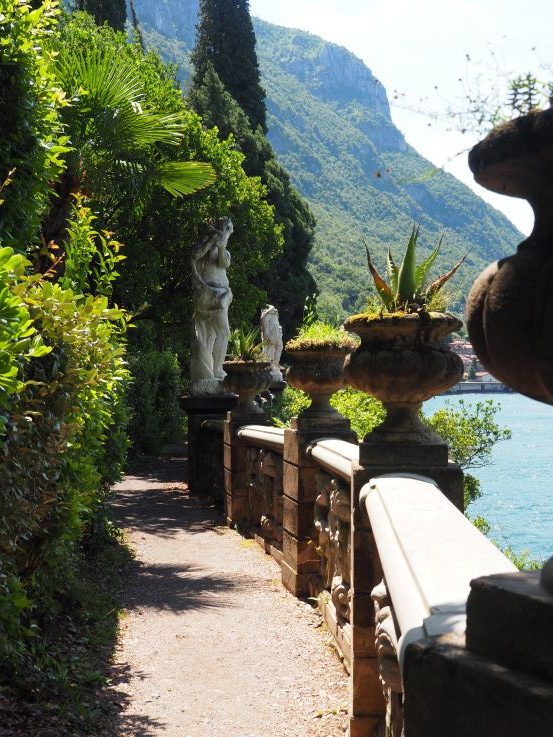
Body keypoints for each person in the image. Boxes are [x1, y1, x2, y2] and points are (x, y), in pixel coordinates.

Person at [190, 217, 234, 394]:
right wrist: (212, 240)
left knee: (212, 334)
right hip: (208, 294)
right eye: (225, 229)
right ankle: (215, 370)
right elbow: (195, 255)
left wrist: (222, 245)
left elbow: (224, 263)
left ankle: (211, 370)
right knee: (222, 332)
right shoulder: (204, 245)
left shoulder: (224, 250)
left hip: (222, 296)